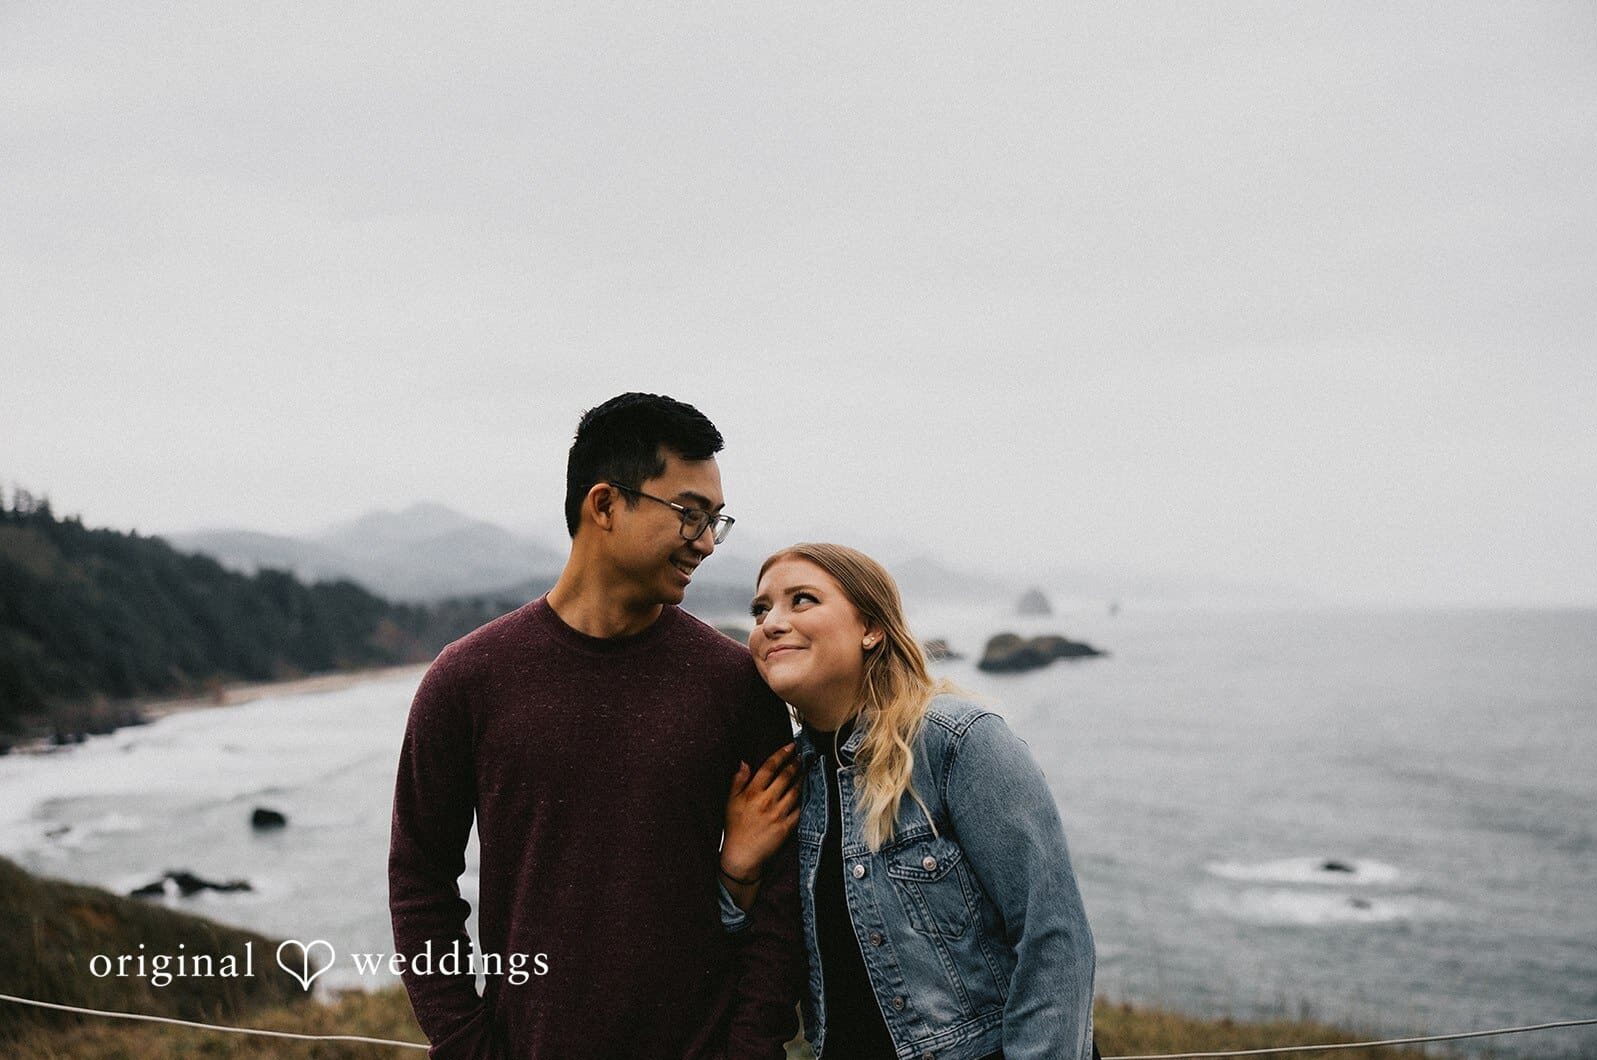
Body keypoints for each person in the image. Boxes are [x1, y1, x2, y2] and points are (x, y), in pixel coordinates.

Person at [389, 393, 803, 1060]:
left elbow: (783, 892)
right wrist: (467, 1046)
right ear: (605, 505)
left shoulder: (736, 684)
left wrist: (751, 1047)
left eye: (714, 520)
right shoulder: (466, 679)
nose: (705, 542)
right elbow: (420, 881)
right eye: (689, 514)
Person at [722, 543, 1096, 1060]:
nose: (771, 624)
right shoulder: (786, 783)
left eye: (802, 599)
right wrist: (736, 871)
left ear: (871, 628)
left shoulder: (957, 742)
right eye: (760, 610)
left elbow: (1054, 942)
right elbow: (757, 967)